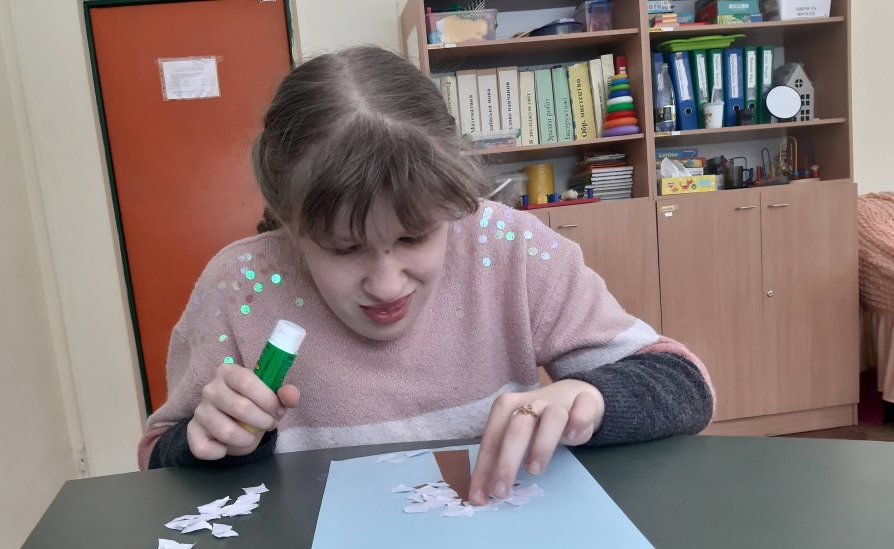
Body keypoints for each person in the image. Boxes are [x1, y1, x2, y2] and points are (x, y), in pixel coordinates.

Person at [139, 46, 714, 505]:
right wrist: (208, 441)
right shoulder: (241, 285)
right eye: (344, 248)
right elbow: (156, 461)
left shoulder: (509, 248)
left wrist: (591, 397)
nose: (387, 285)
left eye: (415, 236)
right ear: (290, 224)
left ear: (453, 199)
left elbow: (686, 387)